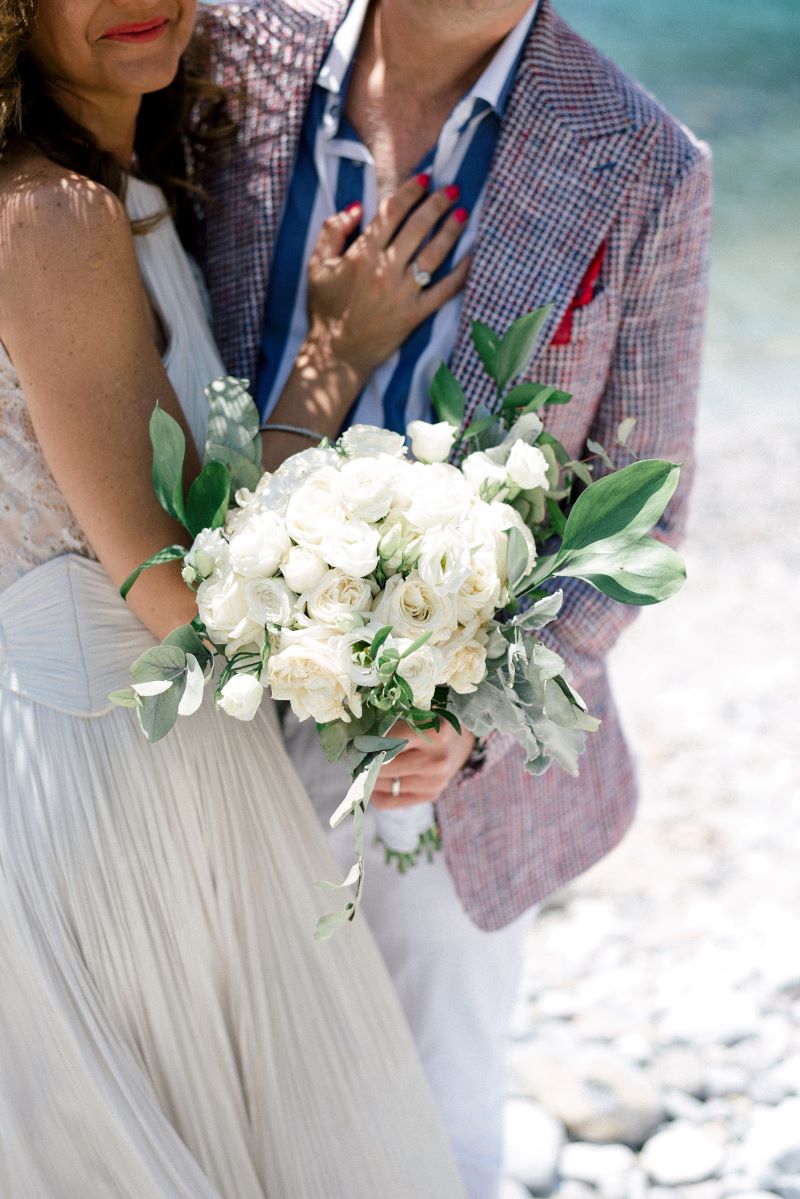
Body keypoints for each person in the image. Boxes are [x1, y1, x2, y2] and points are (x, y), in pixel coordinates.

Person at [195, 1, 713, 1195]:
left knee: (432, 1126)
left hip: (444, 762)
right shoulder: (227, 57)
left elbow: (637, 518)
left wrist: (465, 716)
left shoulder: (644, 163)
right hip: (192, 699)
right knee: (216, 1101)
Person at [0, 2, 472, 1195]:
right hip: (114, 790)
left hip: (177, 769)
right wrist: (330, 359)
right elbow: (184, 603)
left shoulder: (128, 189)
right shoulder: (48, 216)